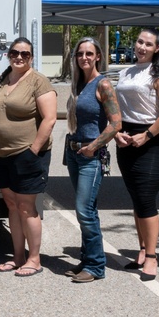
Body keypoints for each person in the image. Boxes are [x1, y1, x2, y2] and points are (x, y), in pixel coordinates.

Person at [0, 37, 56, 277]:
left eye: (25, 54)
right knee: (12, 206)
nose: (19, 57)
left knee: (26, 208)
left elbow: (50, 119)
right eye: (15, 52)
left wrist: (33, 150)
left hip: (27, 155)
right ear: (8, 55)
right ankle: (17, 257)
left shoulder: (39, 81)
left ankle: (34, 259)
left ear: (31, 57)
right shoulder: (1, 80)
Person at [114, 28, 159, 281]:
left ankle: (152, 257)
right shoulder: (125, 72)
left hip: (152, 141)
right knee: (135, 198)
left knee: (146, 198)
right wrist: (117, 133)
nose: (142, 47)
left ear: (157, 49)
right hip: (126, 140)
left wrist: (147, 135)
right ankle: (142, 249)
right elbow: (118, 108)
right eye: (140, 42)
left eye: (148, 44)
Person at [64, 37, 122, 283]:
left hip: (91, 156)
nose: (84, 58)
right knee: (86, 210)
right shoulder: (77, 84)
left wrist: (94, 146)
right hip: (74, 153)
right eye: (80, 54)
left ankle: (97, 266)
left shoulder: (103, 84)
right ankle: (88, 259)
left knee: (84, 211)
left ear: (98, 56)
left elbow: (116, 123)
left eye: (89, 53)